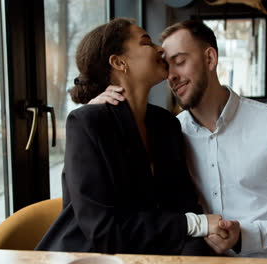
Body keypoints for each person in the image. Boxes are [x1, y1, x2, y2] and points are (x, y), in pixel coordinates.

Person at [91, 20, 267, 260]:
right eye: (166, 66)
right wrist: (97, 113)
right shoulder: (170, 133)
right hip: (205, 258)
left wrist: (244, 235)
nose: (171, 76)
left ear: (210, 59)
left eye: (180, 62)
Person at [35, 18, 229, 255]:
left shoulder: (166, 124)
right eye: (146, 42)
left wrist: (211, 231)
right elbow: (104, 230)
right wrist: (197, 225)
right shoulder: (87, 124)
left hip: (154, 251)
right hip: (91, 255)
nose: (161, 50)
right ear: (119, 62)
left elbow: (182, 203)